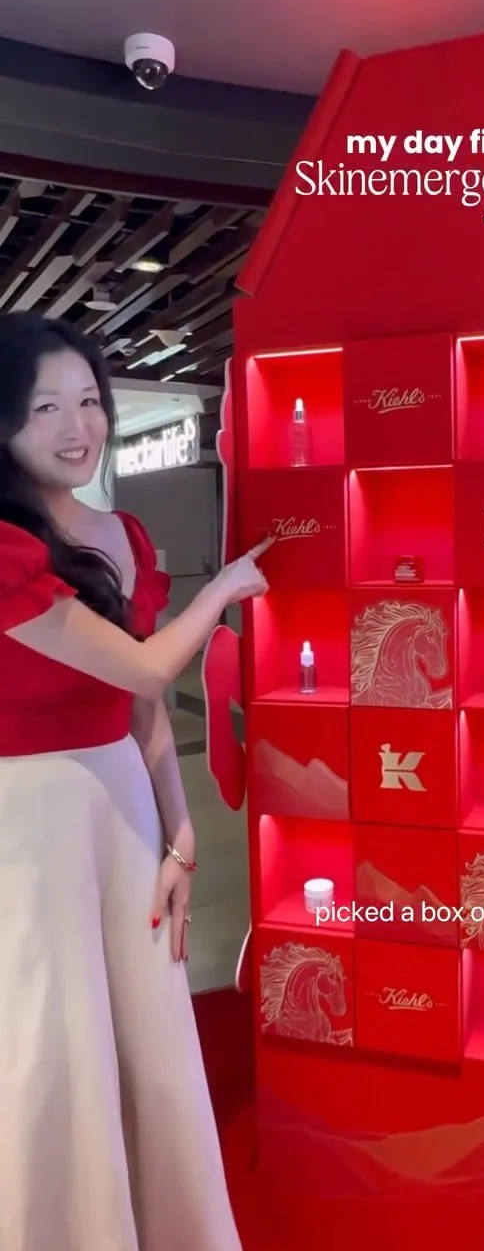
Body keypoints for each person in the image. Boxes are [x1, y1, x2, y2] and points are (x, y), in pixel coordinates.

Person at [0, 311, 269, 1251]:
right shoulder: (5, 548)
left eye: (89, 401)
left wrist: (181, 835)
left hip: (120, 797)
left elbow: (142, 706)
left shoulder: (125, 533)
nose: (78, 427)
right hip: (31, 818)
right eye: (45, 408)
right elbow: (150, 665)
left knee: (152, 1033)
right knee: (56, 1037)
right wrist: (222, 590)